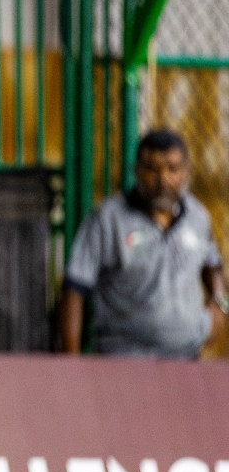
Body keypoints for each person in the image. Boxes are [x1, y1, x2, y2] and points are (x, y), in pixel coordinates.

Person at [60, 129, 226, 359]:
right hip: (125, 361)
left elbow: (213, 263)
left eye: (173, 169)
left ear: (186, 173)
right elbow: (74, 287)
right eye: (152, 169)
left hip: (186, 359)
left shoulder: (198, 217)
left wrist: (220, 304)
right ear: (137, 171)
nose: (163, 180)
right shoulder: (108, 219)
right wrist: (71, 362)